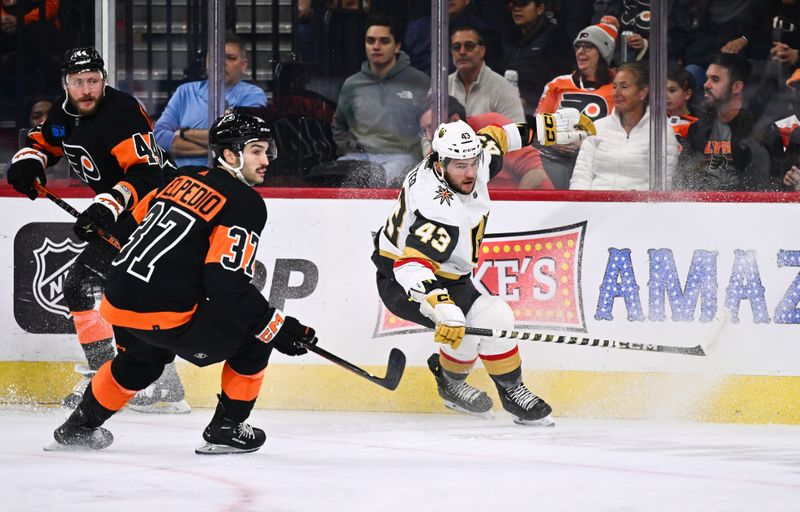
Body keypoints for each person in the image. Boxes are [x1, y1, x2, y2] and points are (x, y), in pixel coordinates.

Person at [48, 111, 318, 453]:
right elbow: (223, 282)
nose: (265, 160)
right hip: (161, 309)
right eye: (256, 151)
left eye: (267, 151)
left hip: (117, 301)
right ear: (230, 155)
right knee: (256, 338)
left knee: (138, 363)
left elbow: (132, 228)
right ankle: (227, 427)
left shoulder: (180, 177)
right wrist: (278, 326)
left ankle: (78, 428)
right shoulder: (245, 202)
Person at [372, 109, 594, 425]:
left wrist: (551, 127)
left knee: (492, 317)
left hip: (449, 272)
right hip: (401, 279)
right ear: (439, 163)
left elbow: (499, 136)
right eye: (460, 166)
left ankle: (486, 387)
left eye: (473, 163)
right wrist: (440, 306)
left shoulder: (471, 159)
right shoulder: (437, 207)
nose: (470, 173)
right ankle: (462, 385)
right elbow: (412, 264)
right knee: (467, 322)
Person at [6, 47, 189, 413]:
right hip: (126, 211)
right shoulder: (63, 114)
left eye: (93, 81)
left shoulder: (120, 114)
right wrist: (29, 162)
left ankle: (125, 378)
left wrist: (106, 207)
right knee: (104, 289)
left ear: (104, 80)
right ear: (66, 84)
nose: (87, 89)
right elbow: (47, 142)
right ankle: (142, 380)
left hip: (155, 209)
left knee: (111, 290)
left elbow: (146, 173)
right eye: (78, 82)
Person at [333, 14, 430, 187]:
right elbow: (339, 124)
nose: (376, 47)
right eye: (370, 41)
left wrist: (417, 155)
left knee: (382, 179)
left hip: (404, 158)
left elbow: (431, 126)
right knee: (333, 175)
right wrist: (349, 148)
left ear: (397, 46)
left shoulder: (419, 81)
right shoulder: (352, 84)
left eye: (384, 41)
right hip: (361, 157)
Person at [153, 32, 267, 168]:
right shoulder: (185, 92)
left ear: (243, 65)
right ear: (207, 61)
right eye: (216, 57)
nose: (222, 63)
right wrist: (216, 150)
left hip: (228, 183)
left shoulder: (253, 95)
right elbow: (158, 136)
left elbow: (241, 137)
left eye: (230, 58)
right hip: (184, 181)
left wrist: (184, 133)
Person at [675, 53, 777, 191]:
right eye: (707, 78)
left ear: (737, 87)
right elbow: (681, 179)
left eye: (715, 79)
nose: (706, 85)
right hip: (698, 206)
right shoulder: (697, 128)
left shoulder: (759, 131)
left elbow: (758, 189)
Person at [570, 62, 678, 190]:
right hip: (596, 206)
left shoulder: (662, 132)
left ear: (643, 92)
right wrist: (584, 206)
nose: (617, 92)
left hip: (638, 207)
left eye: (624, 86)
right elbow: (581, 177)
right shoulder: (597, 127)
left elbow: (662, 186)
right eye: (614, 87)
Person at [536, 21, 617, 189]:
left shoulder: (617, 88)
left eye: (588, 47)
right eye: (578, 46)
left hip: (599, 160)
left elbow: (620, 132)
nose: (580, 52)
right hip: (555, 158)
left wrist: (586, 143)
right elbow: (539, 123)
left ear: (603, 53)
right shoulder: (557, 84)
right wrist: (554, 141)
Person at [418, 95, 554, 189]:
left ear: (454, 120)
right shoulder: (437, 151)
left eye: (432, 127)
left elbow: (536, 175)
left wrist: (512, 213)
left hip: (534, 213)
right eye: (425, 131)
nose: (430, 137)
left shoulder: (493, 127)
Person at [503, 0, 573, 113]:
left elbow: (560, 82)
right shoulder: (508, 36)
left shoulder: (556, 37)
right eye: (513, 5)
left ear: (540, 9)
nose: (516, 9)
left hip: (540, 107)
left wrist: (528, 100)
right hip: (508, 103)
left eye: (523, 4)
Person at [448, 26, 525, 122]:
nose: (462, 52)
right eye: (456, 47)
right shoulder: (442, 86)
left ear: (482, 51)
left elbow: (517, 132)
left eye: (469, 46)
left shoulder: (504, 89)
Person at [666, 65, 698, 146]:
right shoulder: (654, 119)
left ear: (687, 94)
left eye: (672, 91)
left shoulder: (698, 124)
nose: (665, 96)